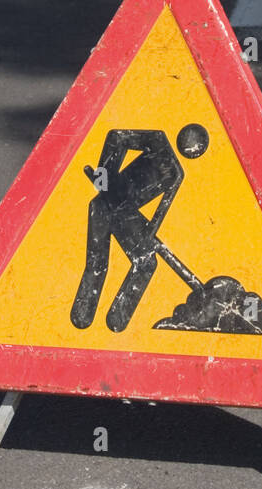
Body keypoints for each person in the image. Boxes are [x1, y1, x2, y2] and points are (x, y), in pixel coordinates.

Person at [70, 124, 210, 333]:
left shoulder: (175, 174)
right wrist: (104, 177)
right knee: (97, 262)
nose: (192, 148)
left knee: (146, 262)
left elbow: (162, 210)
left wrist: (149, 233)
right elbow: (117, 137)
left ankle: (117, 319)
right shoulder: (157, 141)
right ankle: (82, 315)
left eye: (197, 146)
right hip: (103, 205)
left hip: (126, 216)